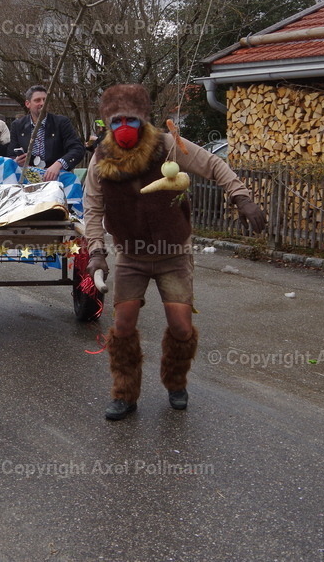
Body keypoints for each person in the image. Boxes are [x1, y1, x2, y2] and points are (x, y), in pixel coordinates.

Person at [83, 85, 267, 421]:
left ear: (144, 120)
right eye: (117, 120)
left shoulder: (167, 146)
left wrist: (242, 197)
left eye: (132, 120)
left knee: (181, 327)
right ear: (107, 123)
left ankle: (176, 382)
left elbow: (213, 164)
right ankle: (124, 393)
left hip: (174, 254)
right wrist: (96, 252)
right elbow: (92, 209)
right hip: (132, 255)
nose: (124, 127)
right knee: (122, 326)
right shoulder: (101, 158)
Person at [7, 84, 85, 181]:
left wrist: (59, 164)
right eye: (37, 100)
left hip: (57, 177)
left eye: (45, 100)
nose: (42, 103)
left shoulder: (61, 122)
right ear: (28, 104)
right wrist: (17, 161)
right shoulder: (18, 125)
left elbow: (77, 149)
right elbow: (10, 154)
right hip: (26, 177)